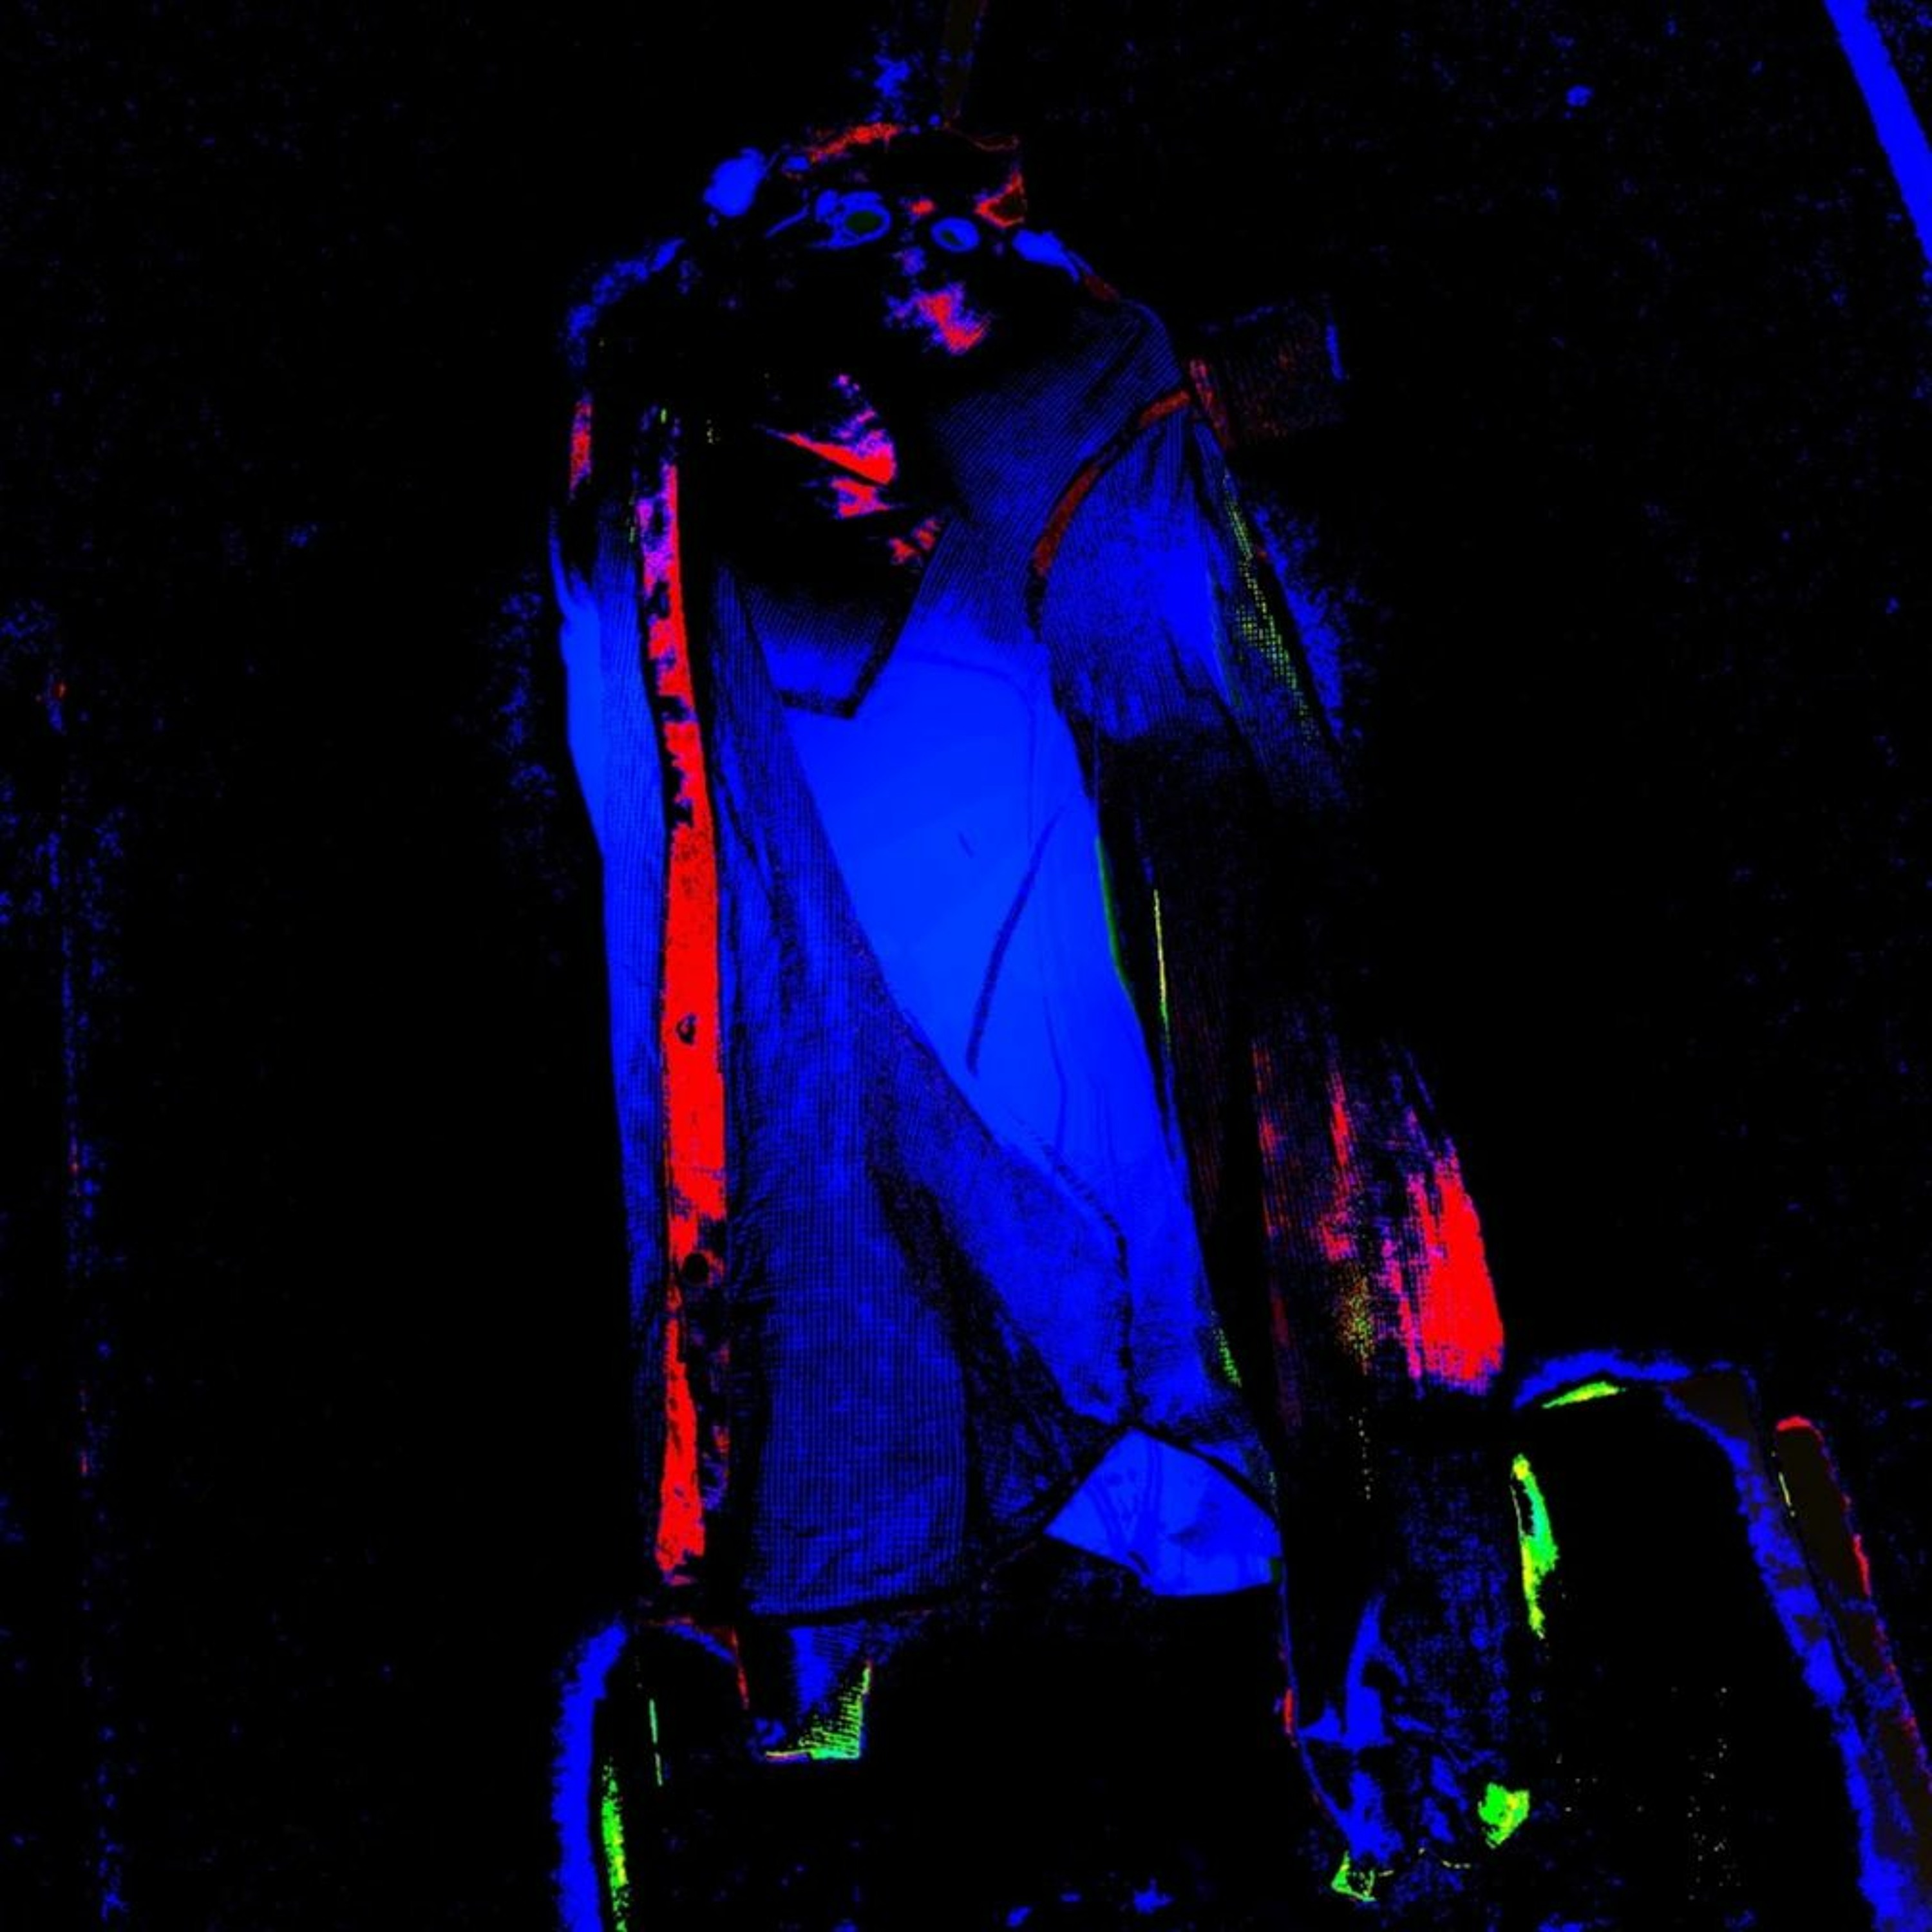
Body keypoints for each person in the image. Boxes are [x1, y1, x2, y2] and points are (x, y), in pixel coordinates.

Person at [554, 120, 1525, 1915]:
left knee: (1114, 1146)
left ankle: (1319, 1701)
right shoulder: (699, 482)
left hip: (1067, 908)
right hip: (926, 949)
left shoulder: (1051, 400)